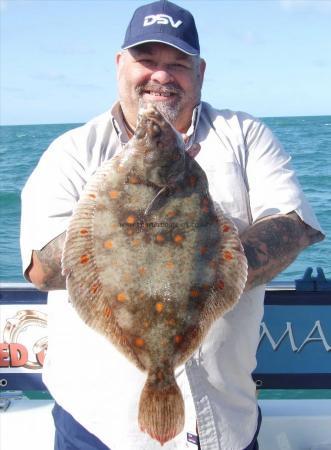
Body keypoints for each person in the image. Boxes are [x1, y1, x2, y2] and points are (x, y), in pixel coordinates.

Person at [20, 1, 324, 449]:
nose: (161, 75)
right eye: (147, 60)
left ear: (200, 71)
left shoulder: (245, 135)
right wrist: (120, 222)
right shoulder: (72, 151)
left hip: (227, 419)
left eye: (178, 63)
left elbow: (295, 225)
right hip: (100, 427)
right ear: (120, 65)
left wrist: (208, 265)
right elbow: (42, 271)